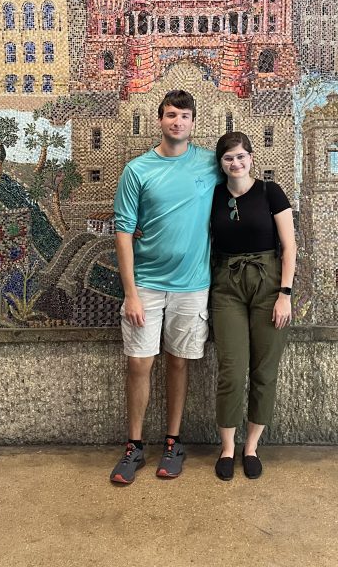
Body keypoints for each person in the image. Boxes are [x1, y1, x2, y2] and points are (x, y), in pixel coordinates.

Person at [110, 90, 223, 484]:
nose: (177, 122)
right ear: (159, 120)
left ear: (194, 122)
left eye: (185, 116)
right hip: (147, 284)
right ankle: (134, 446)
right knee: (139, 363)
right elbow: (123, 232)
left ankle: (173, 443)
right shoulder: (137, 170)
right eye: (171, 115)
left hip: (193, 285)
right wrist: (130, 293)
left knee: (179, 361)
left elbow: (244, 184)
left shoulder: (211, 163)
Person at [209, 131, 296, 481]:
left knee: (264, 370)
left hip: (268, 285)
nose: (236, 163)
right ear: (221, 163)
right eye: (229, 158)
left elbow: (289, 246)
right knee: (231, 369)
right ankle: (228, 446)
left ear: (251, 158)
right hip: (226, 285)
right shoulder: (213, 195)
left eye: (241, 156)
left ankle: (252, 447)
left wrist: (284, 294)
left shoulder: (269, 192)